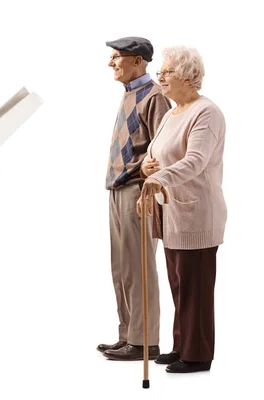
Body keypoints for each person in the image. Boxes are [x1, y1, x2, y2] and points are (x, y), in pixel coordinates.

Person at [137, 45, 227, 373]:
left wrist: (159, 177)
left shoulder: (206, 112)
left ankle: (198, 354)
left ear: (188, 77)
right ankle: (182, 345)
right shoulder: (173, 113)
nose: (159, 76)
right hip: (172, 213)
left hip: (197, 214)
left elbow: (195, 161)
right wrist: (148, 168)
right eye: (160, 71)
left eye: (167, 72)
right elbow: (156, 154)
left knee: (195, 287)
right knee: (180, 284)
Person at [98, 37, 172, 361]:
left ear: (138, 61)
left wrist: (148, 177)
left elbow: (164, 148)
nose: (111, 63)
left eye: (117, 57)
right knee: (122, 267)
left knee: (139, 266)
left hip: (138, 191)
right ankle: (128, 334)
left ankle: (145, 341)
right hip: (118, 189)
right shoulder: (130, 95)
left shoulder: (155, 97)